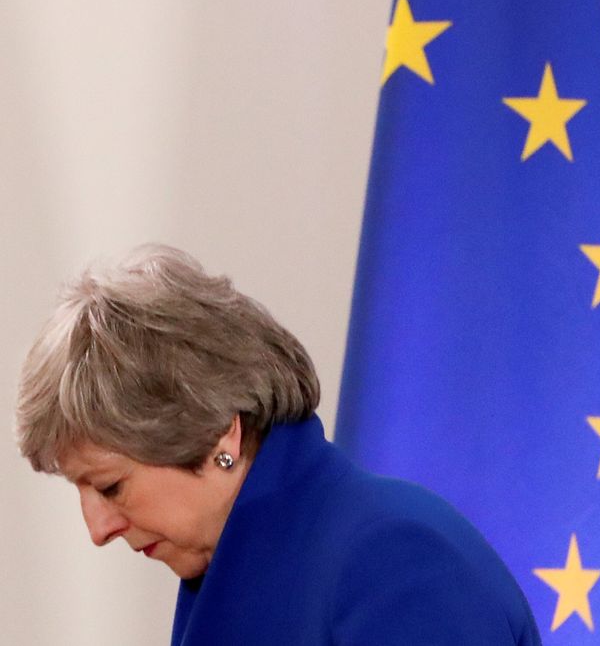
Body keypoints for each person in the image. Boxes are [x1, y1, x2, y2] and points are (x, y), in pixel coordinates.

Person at [15, 244, 541, 646]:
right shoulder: (230, 567)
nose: (97, 529)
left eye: (110, 486)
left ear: (220, 434)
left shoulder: (395, 560)